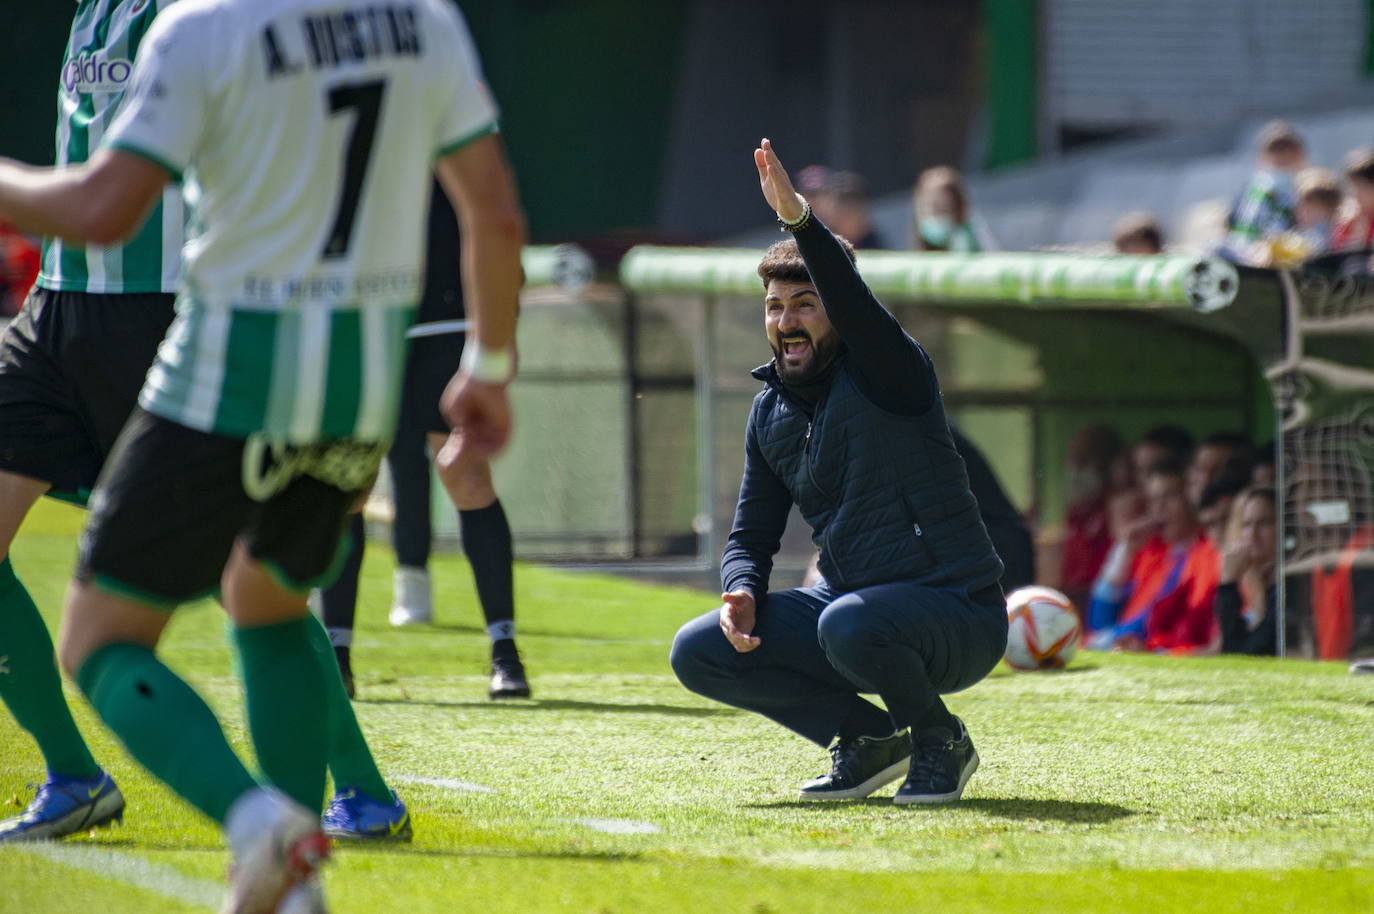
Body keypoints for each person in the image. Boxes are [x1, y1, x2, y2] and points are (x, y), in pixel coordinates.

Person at [0, 1, 523, 909]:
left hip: (212, 365)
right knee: (268, 603)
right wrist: (491, 365)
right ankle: (293, 880)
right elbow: (497, 214)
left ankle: (266, 819)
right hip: (349, 388)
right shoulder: (424, 22)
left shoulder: (202, 25)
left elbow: (100, 207)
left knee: (106, 640)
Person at [671, 140, 1007, 807]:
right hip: (851, 610)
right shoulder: (770, 412)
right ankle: (868, 740)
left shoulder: (891, 373)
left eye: (805, 304)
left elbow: (855, 304)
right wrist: (740, 589)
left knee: (849, 624)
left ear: (840, 312)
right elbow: (749, 536)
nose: (786, 321)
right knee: (699, 649)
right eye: (775, 307)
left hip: (956, 613)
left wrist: (800, 220)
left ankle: (941, 739)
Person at [319, 181, 529, 700]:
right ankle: (335, 657)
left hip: (446, 313)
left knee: (465, 473)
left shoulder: (448, 107)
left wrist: (498, 338)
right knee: (350, 480)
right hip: (363, 310)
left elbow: (495, 211)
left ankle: (505, 650)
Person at [1086, 458, 1219, 653]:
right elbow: (1098, 621)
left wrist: (1103, 641)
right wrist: (1123, 551)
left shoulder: (1208, 552)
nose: (1159, 508)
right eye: (1153, 500)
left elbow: (1155, 623)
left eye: (1169, 497)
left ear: (1191, 497)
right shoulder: (1152, 552)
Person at [1060, 424, 1125, 611]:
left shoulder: (1116, 515)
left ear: (1111, 466)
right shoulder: (1075, 515)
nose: (1075, 469)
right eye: (1072, 460)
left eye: (1084, 460)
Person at [1225, 120, 1306, 260]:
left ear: (1300, 154)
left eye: (1287, 149)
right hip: (1244, 250)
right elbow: (1233, 221)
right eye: (1275, 150)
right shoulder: (1253, 188)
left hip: (1286, 251)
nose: (1282, 155)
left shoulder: (1306, 184)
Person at [1216, 488, 1278, 655]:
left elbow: (1241, 653)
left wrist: (1228, 584)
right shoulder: (1257, 584)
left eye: (1264, 523)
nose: (1252, 534)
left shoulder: (1285, 589)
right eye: (1246, 525)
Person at [796, 166, 886, 249]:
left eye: (854, 211)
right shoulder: (816, 242)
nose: (849, 218)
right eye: (843, 213)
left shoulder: (876, 244)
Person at [913, 166, 981, 252]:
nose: (935, 217)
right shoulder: (924, 231)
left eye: (943, 209)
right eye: (929, 207)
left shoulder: (971, 236)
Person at [1333, 147, 1374, 253]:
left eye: (1363, 187)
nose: (1356, 194)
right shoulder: (1350, 218)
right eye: (1353, 187)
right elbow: (1341, 253)